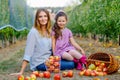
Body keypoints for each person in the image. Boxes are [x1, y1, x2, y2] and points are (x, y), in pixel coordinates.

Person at [10, 9, 75, 76]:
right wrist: (21, 71)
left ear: (48, 18)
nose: (43, 18)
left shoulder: (49, 31)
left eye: (45, 16)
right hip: (40, 63)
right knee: (71, 64)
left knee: (70, 59)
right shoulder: (33, 32)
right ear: (37, 19)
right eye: (40, 16)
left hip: (49, 59)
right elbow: (28, 52)